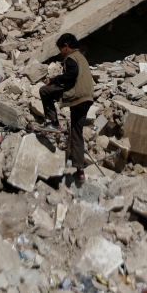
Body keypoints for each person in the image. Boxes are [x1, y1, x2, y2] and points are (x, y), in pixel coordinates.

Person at [39, 33, 93, 182]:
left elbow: (72, 74)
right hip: (87, 98)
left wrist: (54, 80)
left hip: (76, 96)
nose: (60, 53)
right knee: (76, 131)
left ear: (66, 46)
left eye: (60, 49)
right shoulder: (82, 58)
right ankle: (80, 171)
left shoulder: (70, 58)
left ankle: (53, 121)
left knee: (44, 90)